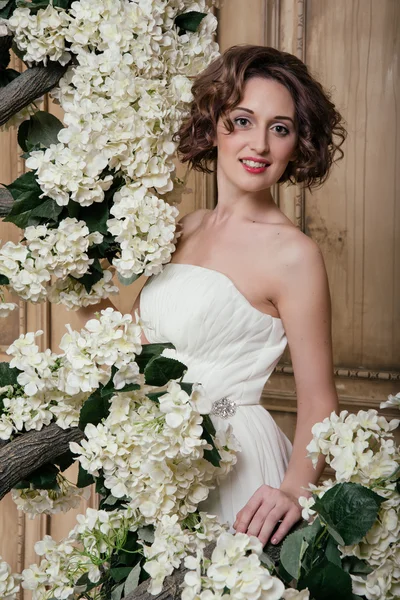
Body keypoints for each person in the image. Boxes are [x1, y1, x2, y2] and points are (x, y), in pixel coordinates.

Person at [86, 45, 346, 546]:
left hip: (237, 464)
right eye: (243, 120)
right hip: (158, 461)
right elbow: (137, 355)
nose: (260, 145)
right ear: (213, 126)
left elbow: (319, 399)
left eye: (280, 128)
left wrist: (293, 491)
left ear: (298, 144)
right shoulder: (183, 227)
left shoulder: (293, 255)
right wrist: (76, 278)